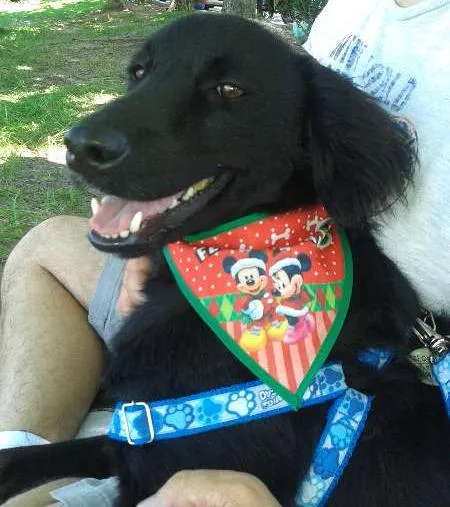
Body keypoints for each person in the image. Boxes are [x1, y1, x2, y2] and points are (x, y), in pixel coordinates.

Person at [1, 0, 449, 504]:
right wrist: (158, 233)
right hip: (240, 254)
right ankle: (20, 445)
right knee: (47, 245)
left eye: (226, 91)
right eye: (142, 73)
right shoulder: (356, 10)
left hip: (342, 330)